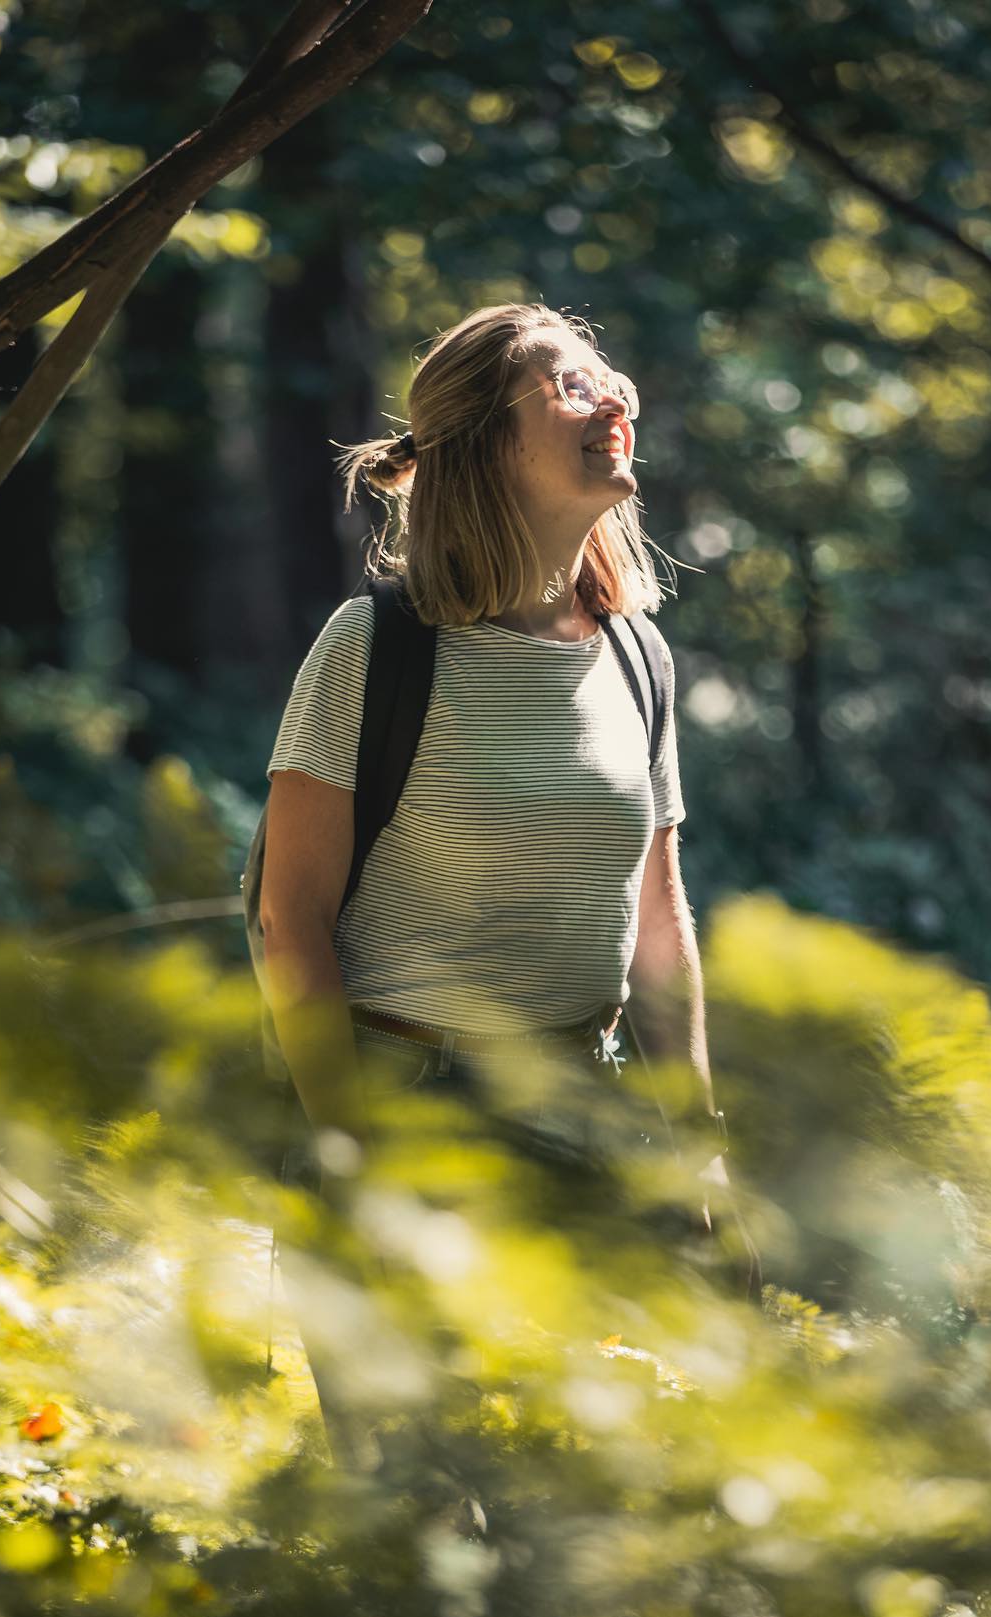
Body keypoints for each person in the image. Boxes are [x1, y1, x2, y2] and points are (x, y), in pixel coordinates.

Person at [258, 301, 738, 1258]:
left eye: (612, 385)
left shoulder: (638, 656)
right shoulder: (375, 647)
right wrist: (352, 1153)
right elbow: (290, 918)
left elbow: (656, 917)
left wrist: (699, 1146)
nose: (612, 404)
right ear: (486, 442)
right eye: (571, 387)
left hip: (589, 1109)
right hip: (412, 1113)